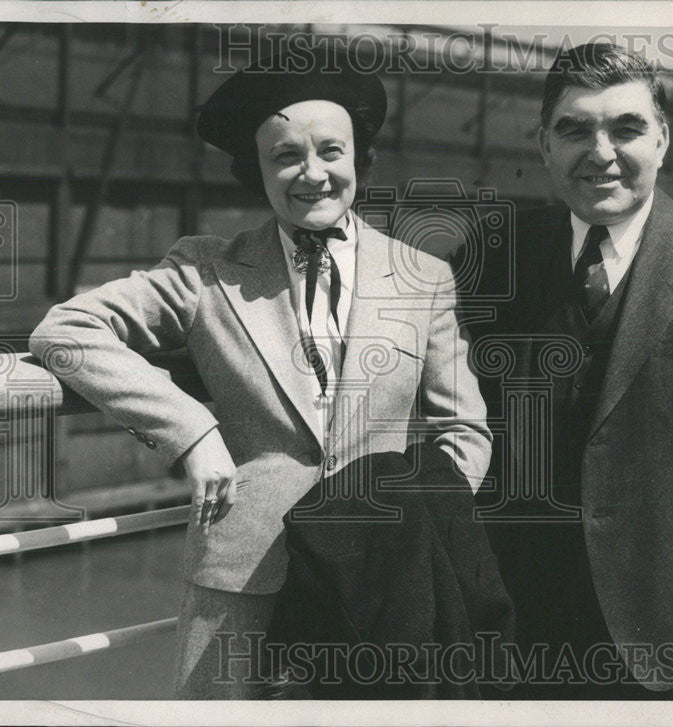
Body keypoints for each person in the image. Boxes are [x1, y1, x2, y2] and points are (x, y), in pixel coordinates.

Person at [29, 48, 491, 699]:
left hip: (382, 577)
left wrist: (421, 521)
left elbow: (465, 427)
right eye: (285, 156)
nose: (313, 174)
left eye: (332, 150)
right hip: (243, 576)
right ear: (258, 171)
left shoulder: (422, 277)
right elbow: (65, 331)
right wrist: (192, 431)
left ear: (360, 157)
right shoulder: (204, 270)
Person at [475, 42, 673, 699]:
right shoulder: (495, 252)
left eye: (625, 128)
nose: (600, 152)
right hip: (527, 624)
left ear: (662, 140)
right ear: (544, 146)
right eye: (574, 130)